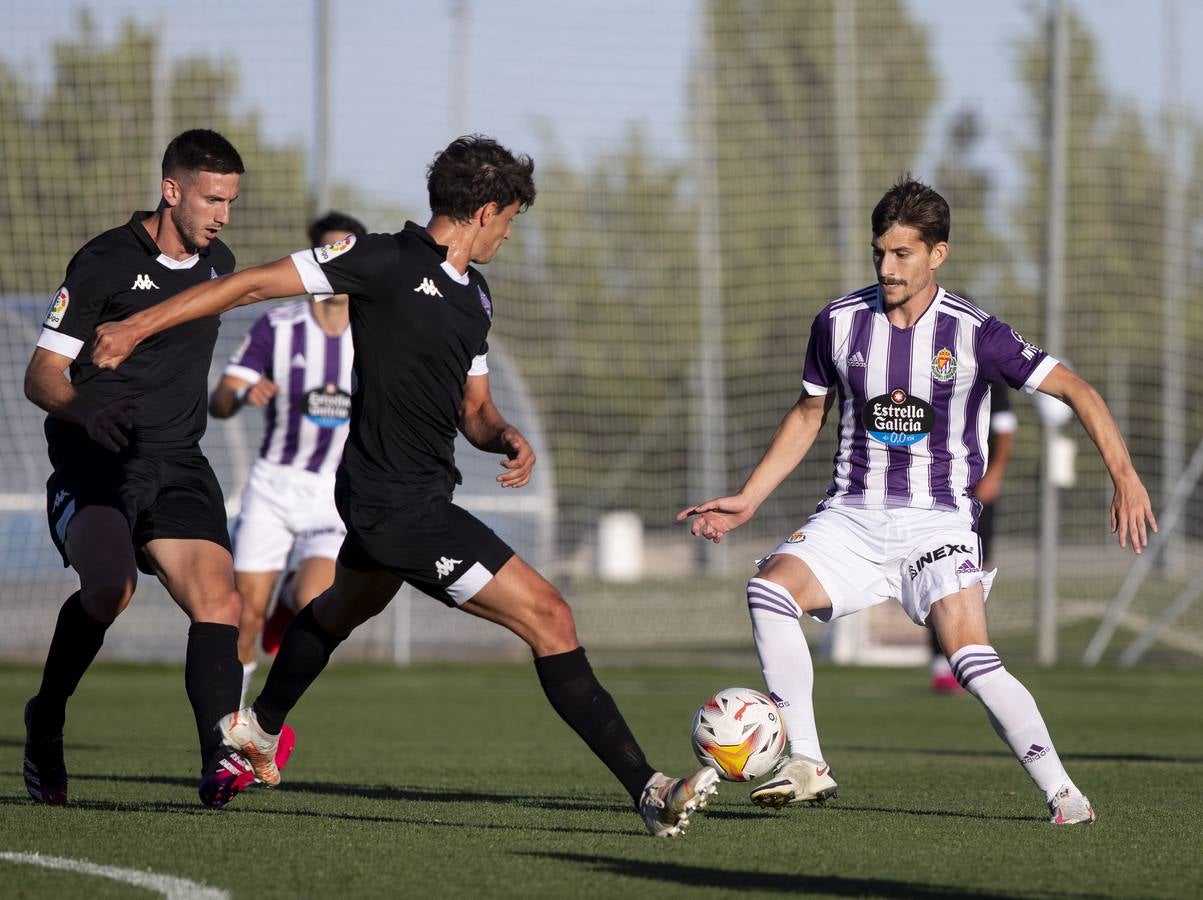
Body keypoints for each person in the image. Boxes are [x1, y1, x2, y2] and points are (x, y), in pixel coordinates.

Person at [91, 135, 719, 836]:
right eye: (510, 219)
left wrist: (504, 434)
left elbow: (474, 411)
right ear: (483, 210)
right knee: (550, 616)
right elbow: (253, 283)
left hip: (412, 496)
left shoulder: (475, 296)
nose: (510, 234)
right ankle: (649, 789)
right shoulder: (382, 258)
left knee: (335, 611)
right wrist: (137, 324)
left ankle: (258, 729)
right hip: (395, 504)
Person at [677, 176, 1155, 825]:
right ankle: (808, 763)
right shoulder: (838, 321)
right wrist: (749, 498)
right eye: (879, 252)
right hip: (849, 514)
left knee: (969, 658)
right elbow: (806, 413)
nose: (886, 266)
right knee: (766, 592)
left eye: (902, 254)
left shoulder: (973, 332)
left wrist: (1123, 476)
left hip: (937, 520)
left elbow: (1077, 389)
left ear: (937, 253)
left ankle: (1062, 793)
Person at [22, 128, 294, 810]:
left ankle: (215, 763)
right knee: (110, 589)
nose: (222, 215)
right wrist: (88, 412)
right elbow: (41, 376)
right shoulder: (103, 262)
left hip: (177, 462)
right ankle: (46, 716)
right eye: (210, 199)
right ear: (171, 190)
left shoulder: (218, 261)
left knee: (220, 606)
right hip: (97, 460)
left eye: (230, 201)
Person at [209, 211, 366, 705]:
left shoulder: (372, 333)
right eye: (329, 254)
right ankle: (228, 729)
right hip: (274, 487)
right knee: (245, 614)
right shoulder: (279, 326)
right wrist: (244, 390)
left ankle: (290, 597)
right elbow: (221, 399)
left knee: (314, 603)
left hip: (332, 494)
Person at [930, 380, 1016, 693]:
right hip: (937, 491)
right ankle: (941, 663)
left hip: (977, 490)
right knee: (936, 573)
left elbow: (1005, 428)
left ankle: (970, 656)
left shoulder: (992, 375)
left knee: (971, 573)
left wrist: (994, 474)